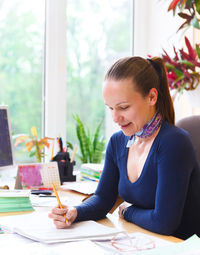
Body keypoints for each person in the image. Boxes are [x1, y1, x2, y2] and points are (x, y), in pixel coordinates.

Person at [49, 56, 200, 240]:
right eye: (111, 108)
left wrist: (128, 211)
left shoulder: (174, 143)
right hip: (145, 240)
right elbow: (103, 199)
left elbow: (164, 223)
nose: (115, 117)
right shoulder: (118, 142)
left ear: (152, 97)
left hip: (179, 246)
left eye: (123, 107)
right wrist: (75, 212)